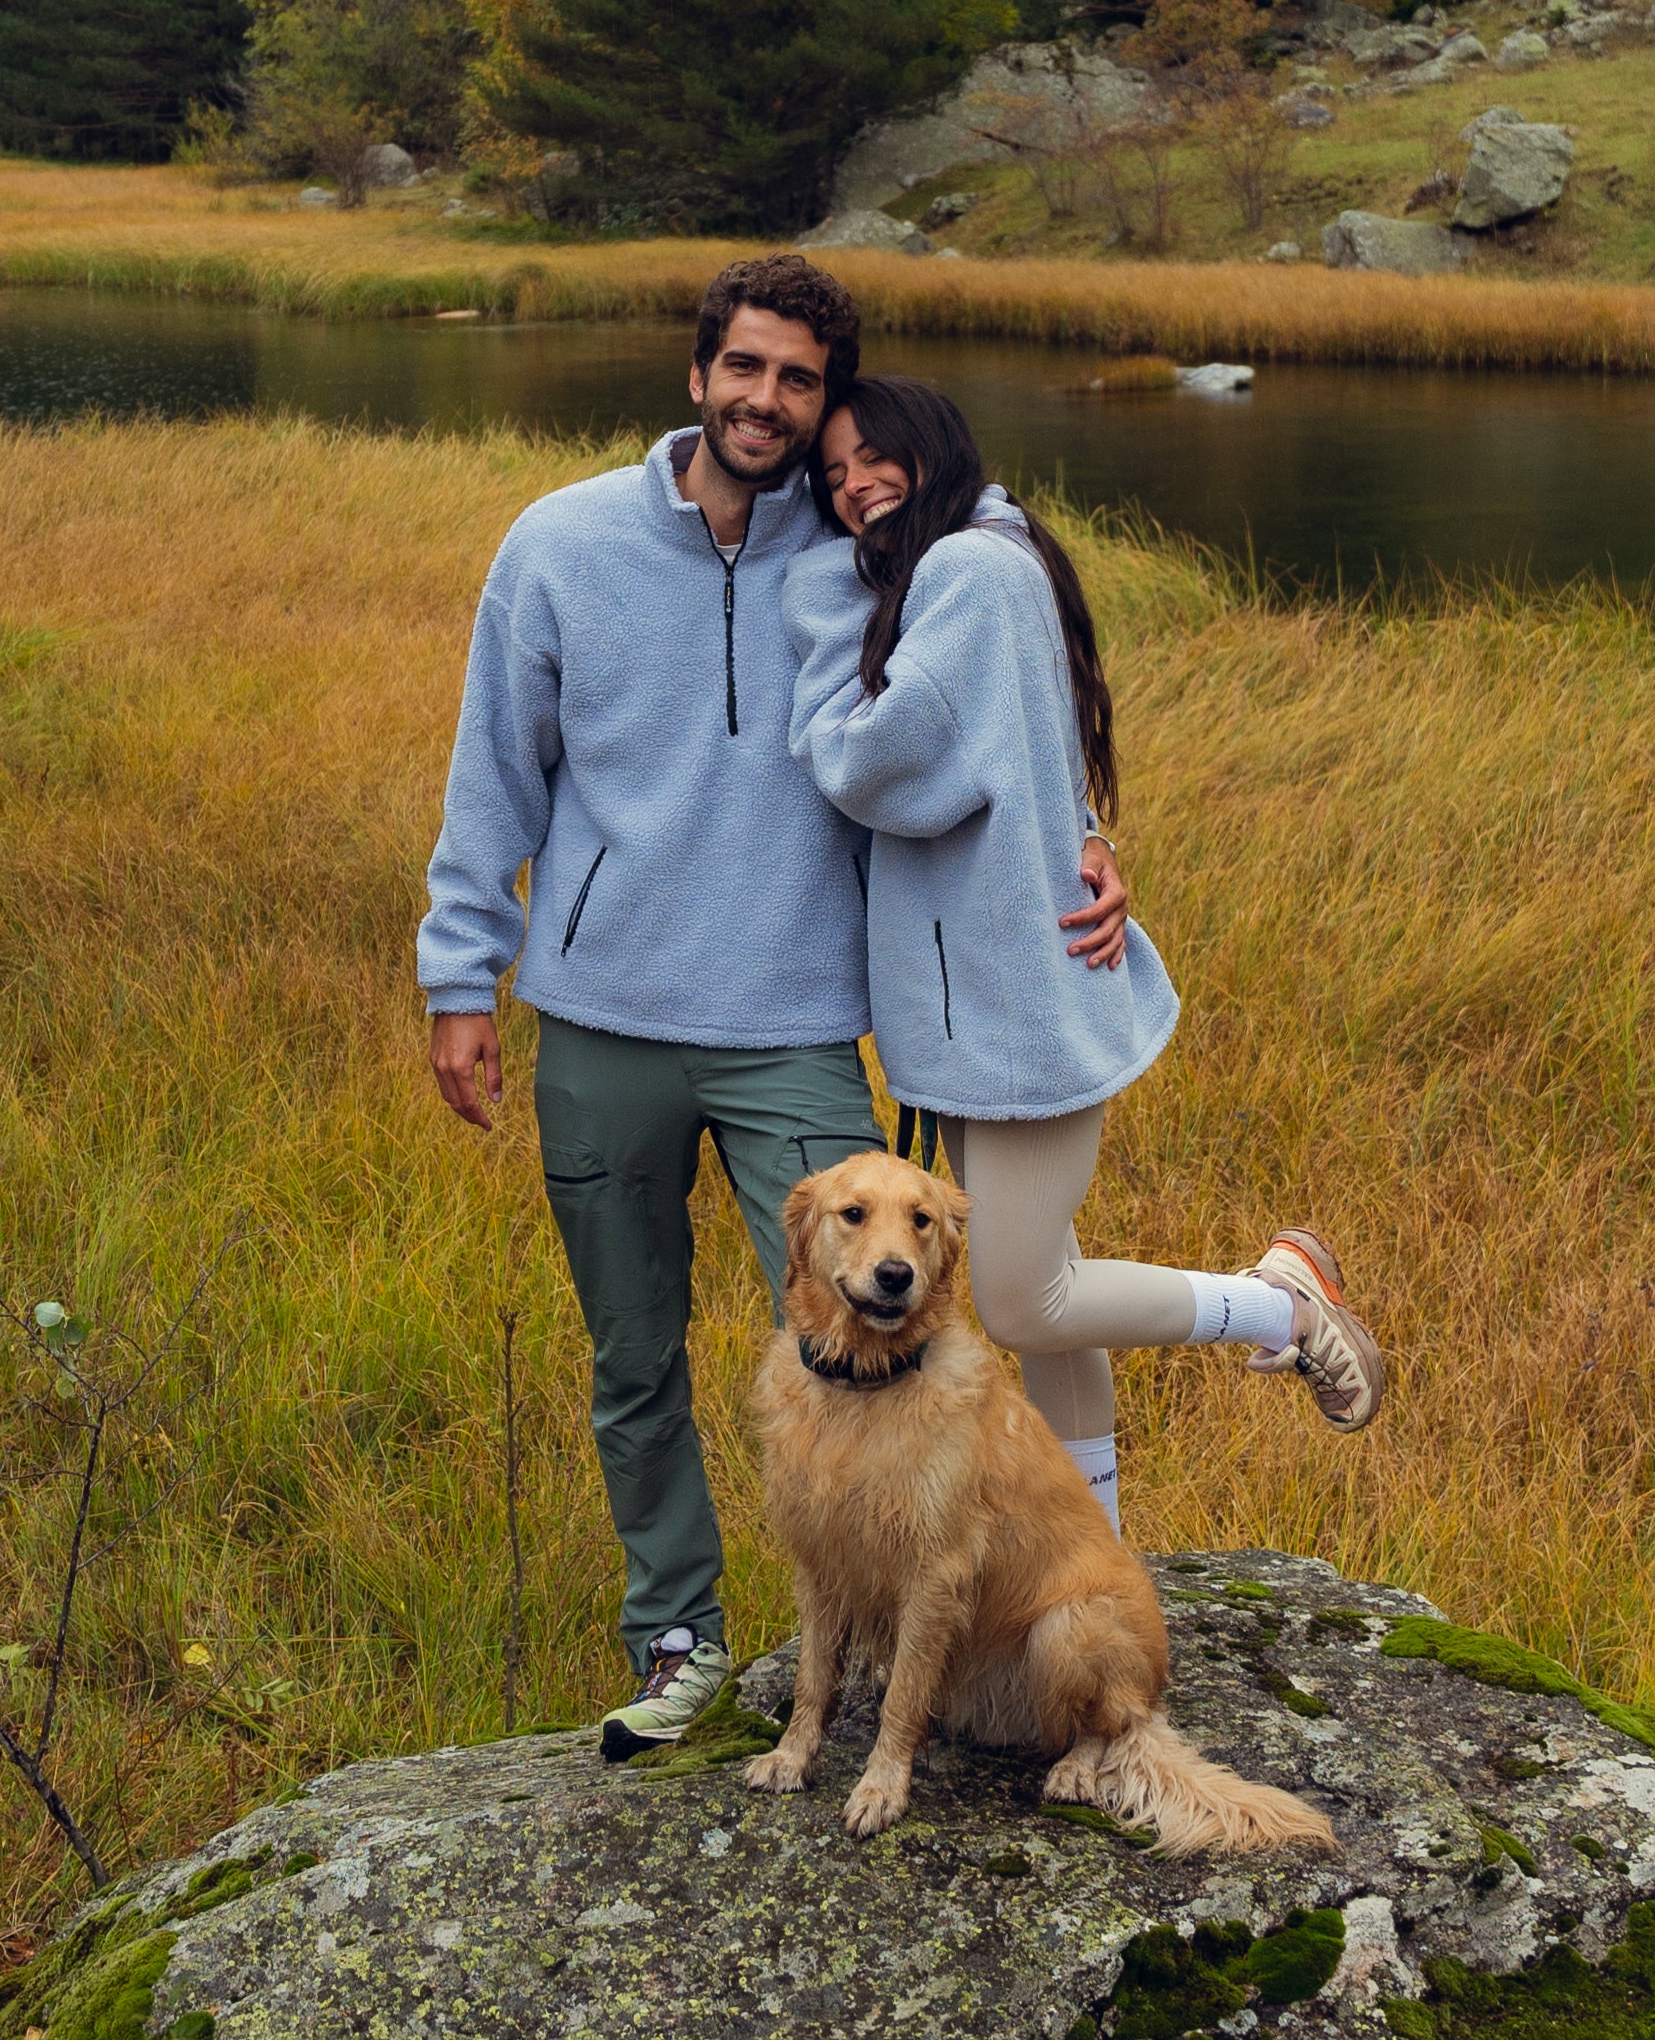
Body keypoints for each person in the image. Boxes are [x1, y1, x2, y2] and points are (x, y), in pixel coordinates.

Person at [418, 255, 1131, 1756]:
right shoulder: (559, 542)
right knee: (634, 1354)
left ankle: (938, 1612)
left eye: (798, 381)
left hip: (795, 1022)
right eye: (743, 367)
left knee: (896, 1333)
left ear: (823, 406)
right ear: (697, 372)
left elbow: (1015, 616)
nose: (766, 399)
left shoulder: (869, 543)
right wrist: (456, 971)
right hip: (600, 1016)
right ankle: (677, 1637)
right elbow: (496, 769)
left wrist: (1085, 837)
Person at [784, 373, 1384, 1525]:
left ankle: (1280, 1303)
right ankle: (1096, 1544)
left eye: (872, 457)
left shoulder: (960, 571)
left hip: (1013, 1002)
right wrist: (1093, 838)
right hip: (999, 993)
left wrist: (822, 607)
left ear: (933, 444)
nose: (853, 485)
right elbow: (1034, 775)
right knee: (1047, 1291)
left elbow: (871, 766)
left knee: (1021, 1300)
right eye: (832, 475)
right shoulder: (991, 557)